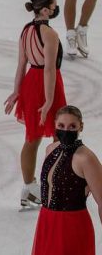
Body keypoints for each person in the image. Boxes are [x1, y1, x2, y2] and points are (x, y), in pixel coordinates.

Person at [4, 0, 67, 209]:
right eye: (54, 6)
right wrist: (49, 100)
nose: (55, 9)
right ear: (44, 8)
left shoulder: (26, 30)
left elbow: (21, 65)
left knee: (32, 138)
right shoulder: (49, 34)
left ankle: (29, 188)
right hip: (47, 85)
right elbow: (49, 69)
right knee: (60, 136)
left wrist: (16, 91)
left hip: (31, 83)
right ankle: (55, 185)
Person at [31, 105, 102, 254]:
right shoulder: (50, 149)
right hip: (46, 221)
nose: (66, 130)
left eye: (72, 126)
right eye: (61, 126)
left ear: (80, 127)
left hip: (72, 226)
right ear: (55, 125)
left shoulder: (86, 158)